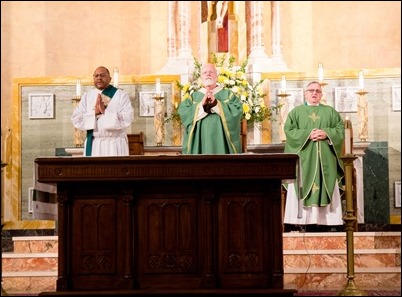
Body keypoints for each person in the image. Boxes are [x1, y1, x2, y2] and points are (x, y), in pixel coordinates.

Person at [283, 81, 345, 231]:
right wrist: (307, 134)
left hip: (326, 159)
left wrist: (326, 133)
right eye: (311, 90)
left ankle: (328, 222)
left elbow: (340, 130)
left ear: (321, 94)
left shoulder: (330, 112)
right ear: (305, 93)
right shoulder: (296, 112)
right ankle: (302, 221)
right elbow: (289, 132)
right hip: (304, 159)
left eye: (317, 90)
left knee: (327, 182)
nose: (314, 93)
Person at [177, 63, 243, 154]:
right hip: (199, 140)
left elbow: (237, 112)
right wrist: (201, 106)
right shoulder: (194, 97)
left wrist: (216, 104)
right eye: (205, 72)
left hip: (222, 141)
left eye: (211, 72)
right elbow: (183, 112)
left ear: (217, 76)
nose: (208, 74)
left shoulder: (228, 94)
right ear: (201, 77)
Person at [71, 66, 134, 156]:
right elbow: (76, 119)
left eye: (102, 75)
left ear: (109, 78)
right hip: (94, 143)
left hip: (114, 143)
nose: (99, 78)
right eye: (96, 76)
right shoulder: (87, 96)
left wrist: (105, 112)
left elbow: (128, 118)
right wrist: (94, 113)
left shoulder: (121, 95)